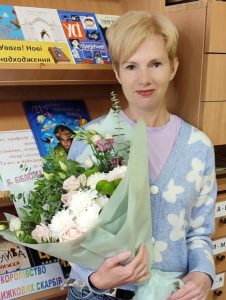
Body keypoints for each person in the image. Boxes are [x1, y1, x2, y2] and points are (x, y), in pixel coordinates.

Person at [66, 10, 217, 300]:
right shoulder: (93, 141)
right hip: (100, 295)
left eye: (155, 64)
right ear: (117, 72)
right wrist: (95, 279)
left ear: (173, 67)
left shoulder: (198, 147)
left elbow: (199, 233)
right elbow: (70, 231)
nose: (144, 78)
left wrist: (202, 274)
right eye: (131, 66)